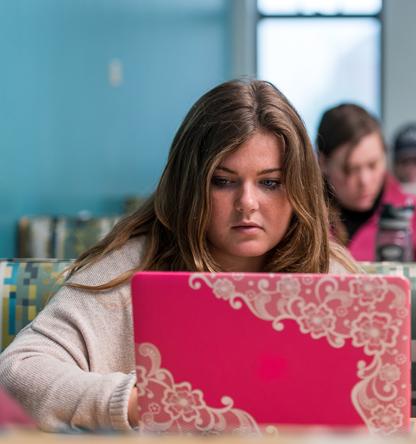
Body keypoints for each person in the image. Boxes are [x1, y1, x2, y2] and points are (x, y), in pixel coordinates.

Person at [0, 79, 356, 432]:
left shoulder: (331, 275)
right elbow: (18, 371)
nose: (247, 203)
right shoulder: (133, 267)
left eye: (270, 182)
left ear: (297, 187)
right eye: (223, 180)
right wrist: (135, 402)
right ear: (191, 184)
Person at [316, 104, 416, 262]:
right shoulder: (302, 224)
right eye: (350, 169)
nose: (364, 180)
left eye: (373, 165)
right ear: (323, 163)